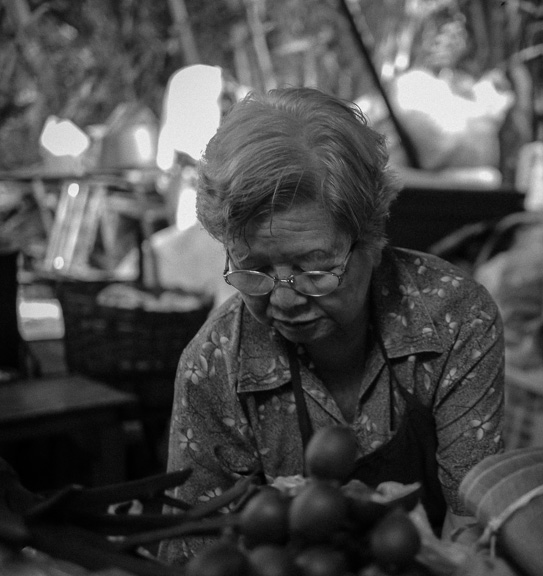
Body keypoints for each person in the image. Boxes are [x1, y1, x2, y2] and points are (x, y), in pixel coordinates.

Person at [159, 87, 505, 563]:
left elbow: (472, 531)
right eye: (254, 269)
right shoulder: (215, 367)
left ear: (372, 242)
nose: (283, 299)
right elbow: (197, 556)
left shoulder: (455, 320)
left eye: (315, 269)